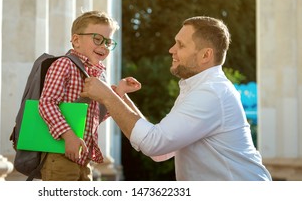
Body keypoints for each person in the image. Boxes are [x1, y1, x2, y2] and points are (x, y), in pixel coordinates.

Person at [81, 16, 272, 181]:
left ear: (206, 55)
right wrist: (119, 98)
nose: (171, 49)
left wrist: (106, 95)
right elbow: (162, 151)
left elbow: (154, 143)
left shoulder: (211, 93)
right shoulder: (197, 88)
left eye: (181, 45)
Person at [38, 10, 140, 181]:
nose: (104, 46)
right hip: (59, 152)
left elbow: (96, 116)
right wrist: (69, 136)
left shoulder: (99, 75)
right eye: (98, 39)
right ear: (76, 40)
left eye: (108, 42)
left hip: (84, 157)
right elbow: (47, 103)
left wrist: (119, 93)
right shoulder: (64, 64)